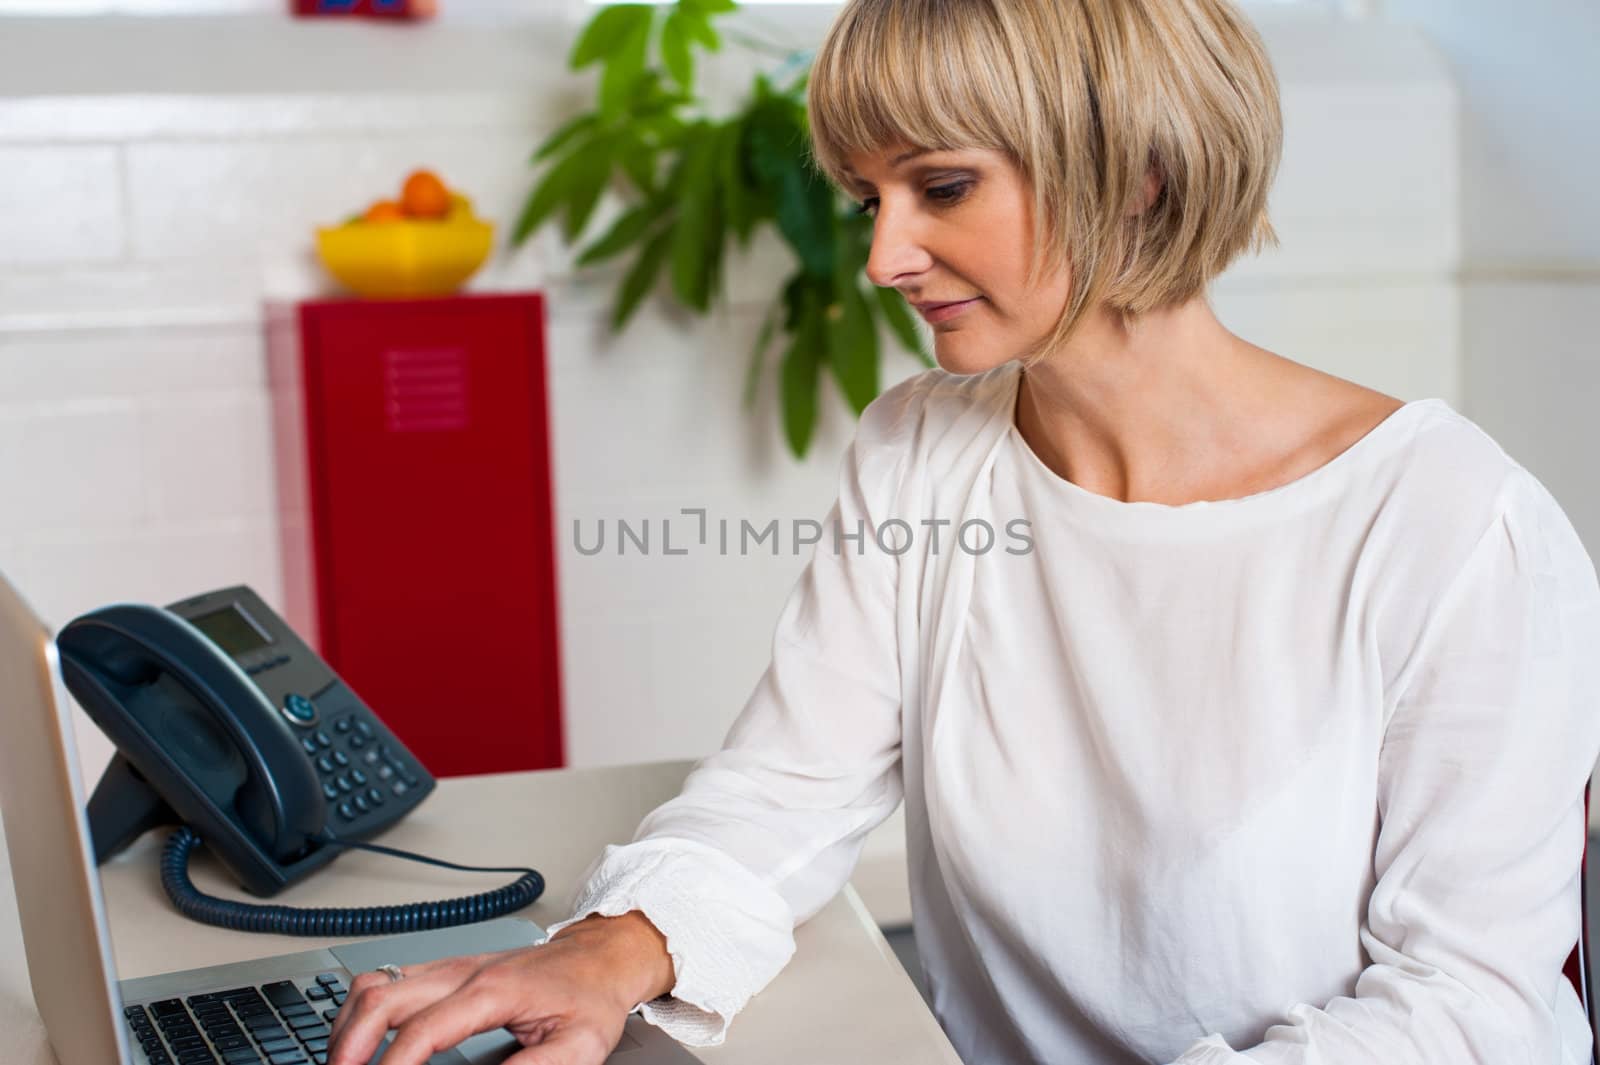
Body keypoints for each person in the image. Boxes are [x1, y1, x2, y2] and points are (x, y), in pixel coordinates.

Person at [327, 0, 1600, 1062]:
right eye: (866, 194)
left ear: (1140, 165)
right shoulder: (922, 449)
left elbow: (1465, 1006)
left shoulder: (1448, 523)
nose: (884, 255)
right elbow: (787, 792)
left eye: (941, 187)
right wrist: (609, 950)